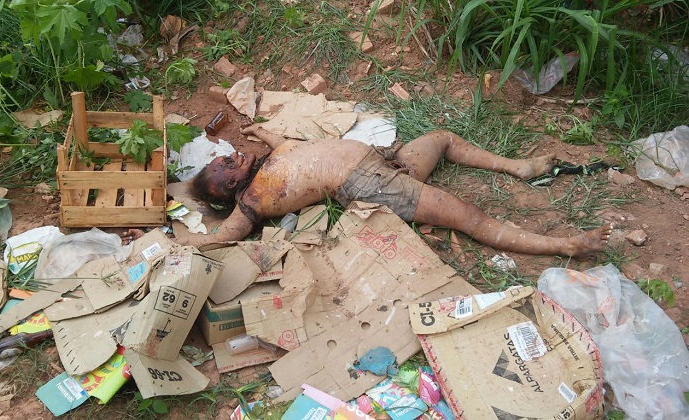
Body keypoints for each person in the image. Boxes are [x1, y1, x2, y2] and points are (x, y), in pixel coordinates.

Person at [130, 127, 612, 257]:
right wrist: (176, 239)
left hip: (386, 159)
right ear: (230, 189)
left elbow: (287, 146)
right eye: (224, 167)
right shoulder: (254, 199)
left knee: (442, 139)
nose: (230, 156)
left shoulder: (270, 157)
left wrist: (261, 131)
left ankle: (519, 167)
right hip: (371, 184)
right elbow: (224, 236)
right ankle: (564, 245)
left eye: (223, 157)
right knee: (467, 214)